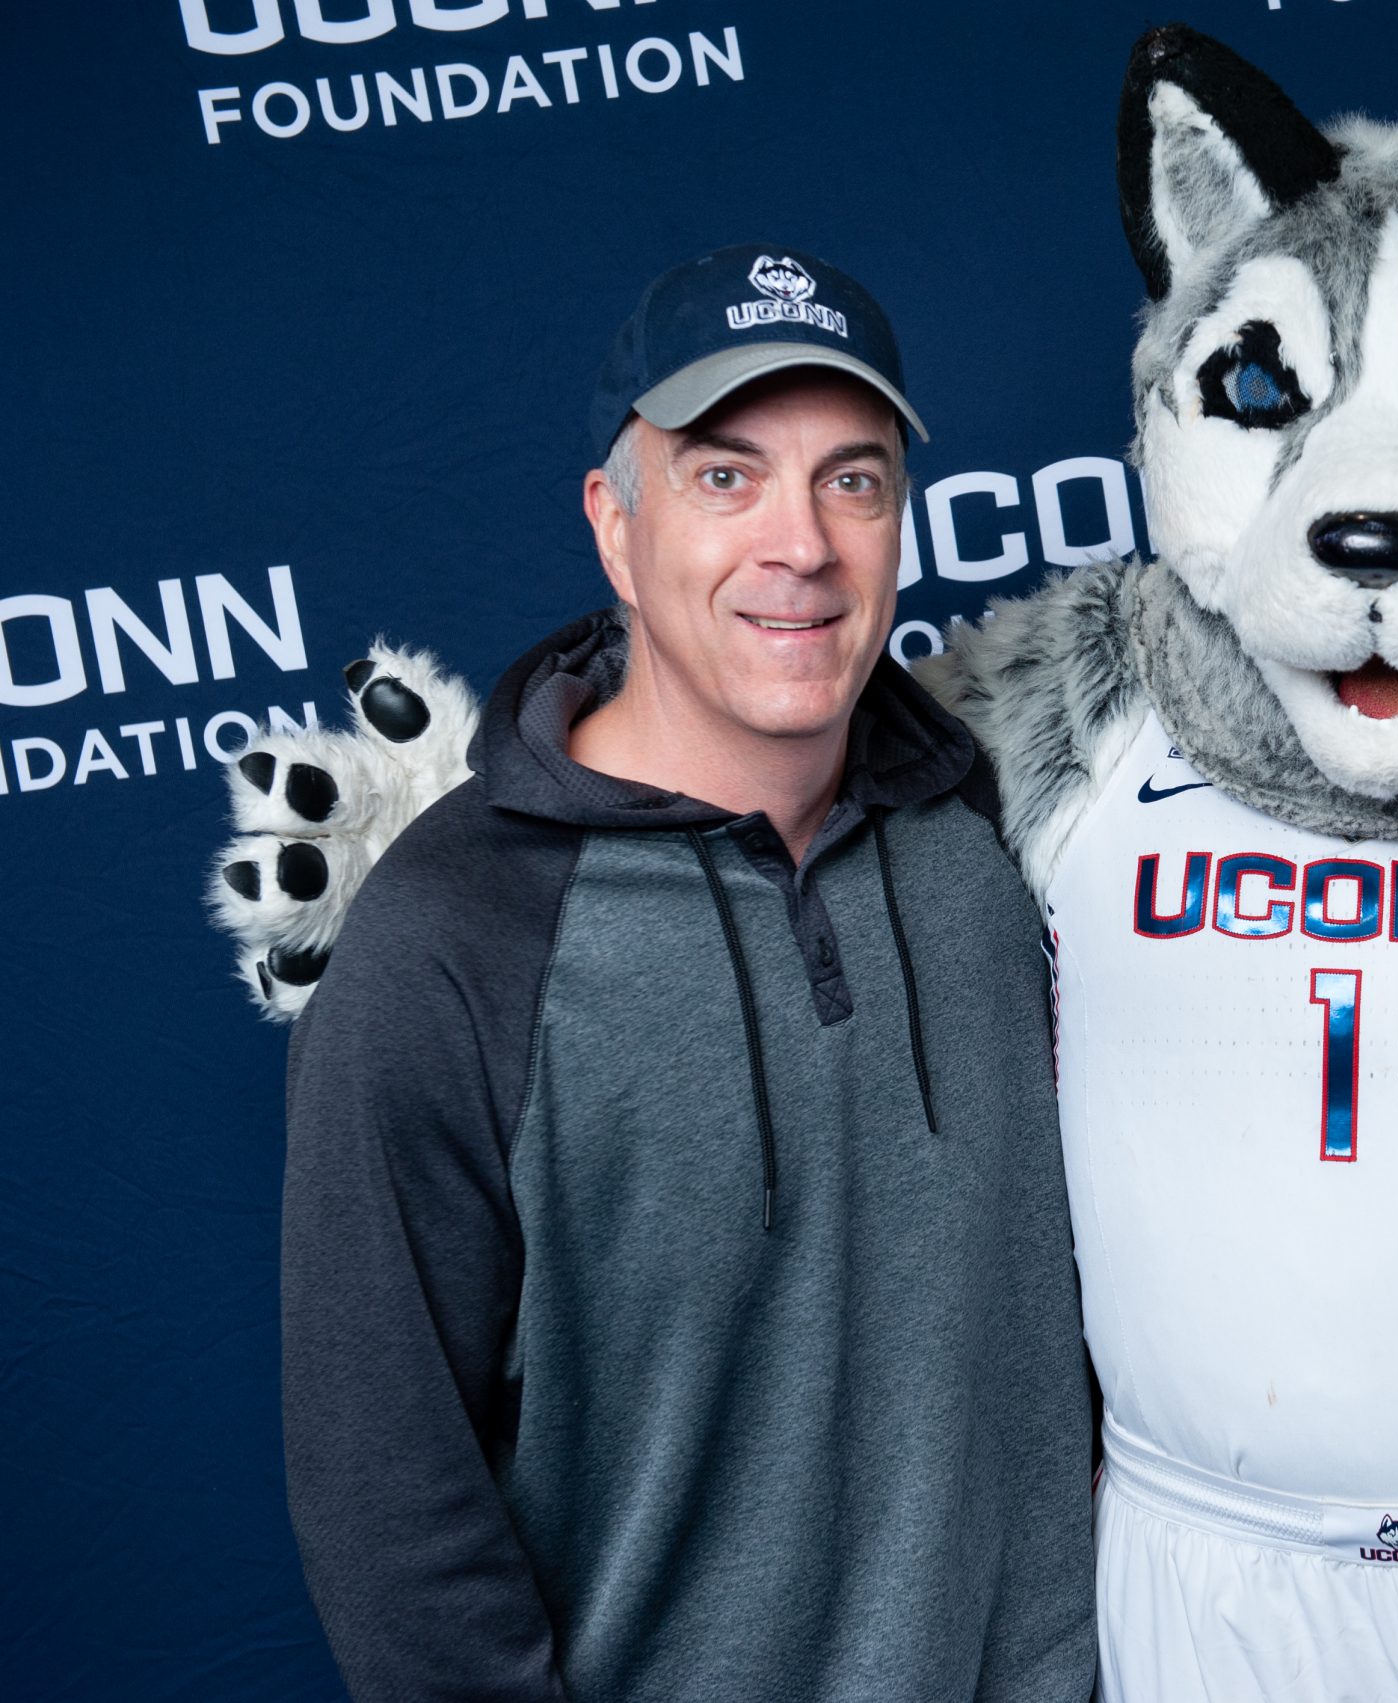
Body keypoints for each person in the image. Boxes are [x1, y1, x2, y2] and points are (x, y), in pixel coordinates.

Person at [278, 245, 1095, 1701]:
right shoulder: (451, 942)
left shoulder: (988, 830)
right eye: (726, 476)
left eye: (852, 478)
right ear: (616, 521)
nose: (802, 543)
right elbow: (387, 1498)